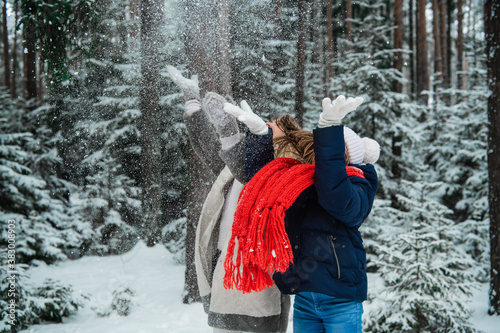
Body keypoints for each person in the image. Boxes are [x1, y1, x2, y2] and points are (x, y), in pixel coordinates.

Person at [223, 96, 380, 333]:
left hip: (341, 298)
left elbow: (335, 195)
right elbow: (265, 186)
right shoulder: (300, 183)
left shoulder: (358, 185)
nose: (324, 153)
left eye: (337, 149)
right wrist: (259, 138)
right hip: (304, 297)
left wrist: (329, 131)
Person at [166, 66, 290, 333]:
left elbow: (240, 161)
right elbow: (209, 147)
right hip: (226, 266)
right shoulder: (232, 170)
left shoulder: (273, 173)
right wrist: (192, 102)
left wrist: (228, 129)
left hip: (259, 272)